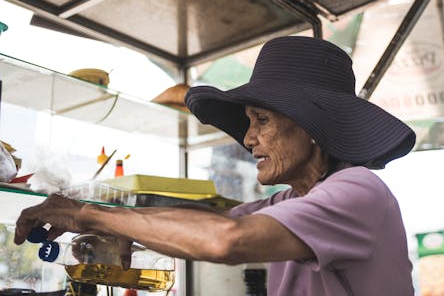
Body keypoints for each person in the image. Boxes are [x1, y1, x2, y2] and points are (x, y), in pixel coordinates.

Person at [15, 36, 416, 295]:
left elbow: (226, 238)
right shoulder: (289, 202)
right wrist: (120, 227)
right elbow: (209, 218)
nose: (248, 139)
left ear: (312, 127)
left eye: (262, 120)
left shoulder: (358, 191)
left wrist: (90, 214)